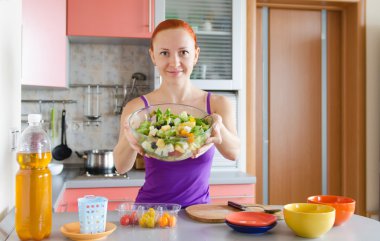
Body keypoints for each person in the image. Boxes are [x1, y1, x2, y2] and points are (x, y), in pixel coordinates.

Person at [113, 19, 240, 207]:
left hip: (198, 214)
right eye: (165, 53)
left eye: (183, 52)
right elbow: (121, 166)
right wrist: (130, 138)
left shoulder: (217, 105)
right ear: (153, 56)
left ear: (195, 55)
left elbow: (234, 153)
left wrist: (218, 126)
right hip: (150, 213)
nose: (174, 62)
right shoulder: (137, 109)